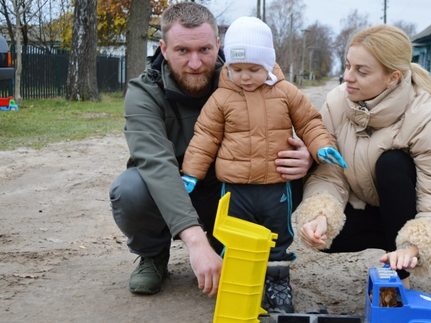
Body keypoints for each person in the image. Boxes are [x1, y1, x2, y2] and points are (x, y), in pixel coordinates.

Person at [108, 2, 313, 299]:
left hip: (231, 190)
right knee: (130, 188)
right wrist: (195, 243)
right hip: (176, 190)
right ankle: (153, 255)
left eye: (204, 50)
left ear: (219, 45)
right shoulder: (144, 93)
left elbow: (301, 121)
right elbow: (157, 165)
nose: (195, 63)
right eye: (182, 51)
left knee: (296, 168)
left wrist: (306, 154)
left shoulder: (249, 78)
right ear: (163, 49)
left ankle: (256, 255)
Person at [179, 16, 346, 313]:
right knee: (235, 235)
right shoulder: (221, 98)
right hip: (235, 188)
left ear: (268, 64)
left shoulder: (286, 93)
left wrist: (322, 148)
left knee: (278, 237)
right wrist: (191, 173)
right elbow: (204, 137)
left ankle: (278, 282)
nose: (245, 77)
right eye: (237, 69)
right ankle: (238, 281)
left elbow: (309, 122)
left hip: (275, 186)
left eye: (253, 69)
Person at [293, 24, 431, 289]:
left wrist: (415, 246)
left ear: (393, 77)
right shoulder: (337, 102)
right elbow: (330, 171)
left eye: (361, 71)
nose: (347, 77)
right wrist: (321, 215)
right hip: (370, 207)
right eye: (348, 66)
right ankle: (391, 243)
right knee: (330, 235)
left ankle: (401, 277)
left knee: (391, 163)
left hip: (417, 206)